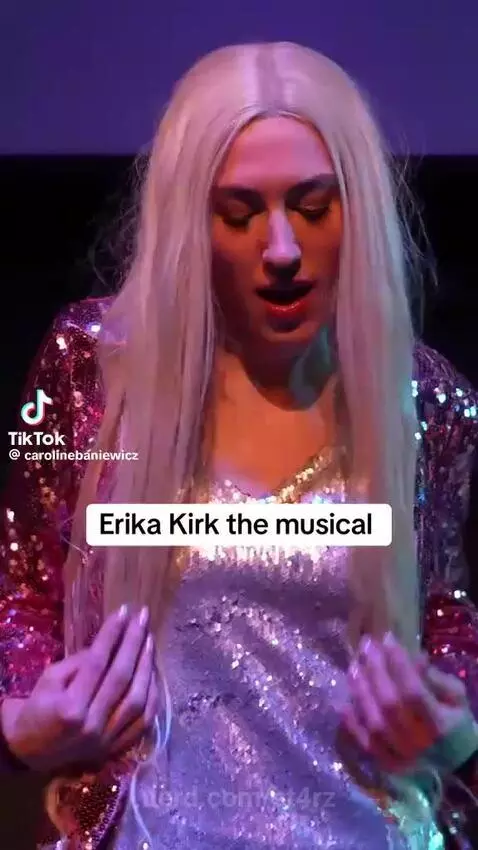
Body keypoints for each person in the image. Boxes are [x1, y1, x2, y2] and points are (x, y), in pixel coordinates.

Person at [0, 41, 478, 850]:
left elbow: (447, 617)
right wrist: (21, 724)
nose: (282, 249)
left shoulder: (427, 405)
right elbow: (21, 594)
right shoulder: (92, 370)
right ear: (192, 223)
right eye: (239, 213)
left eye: (314, 208)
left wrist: (456, 728)